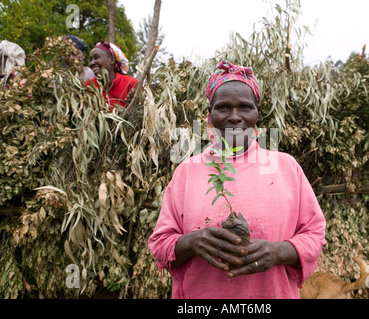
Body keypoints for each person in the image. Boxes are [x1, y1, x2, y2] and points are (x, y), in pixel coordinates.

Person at [148, 60, 326, 299]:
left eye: (244, 107)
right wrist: (192, 242)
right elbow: (160, 244)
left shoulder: (286, 167)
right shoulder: (186, 172)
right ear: (209, 115)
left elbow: (314, 234)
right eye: (223, 108)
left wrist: (278, 252)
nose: (234, 117)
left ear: (257, 113)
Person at [85, 40, 137, 111]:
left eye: (96, 57)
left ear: (112, 60)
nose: (92, 63)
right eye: (90, 60)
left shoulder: (131, 83)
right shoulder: (88, 86)